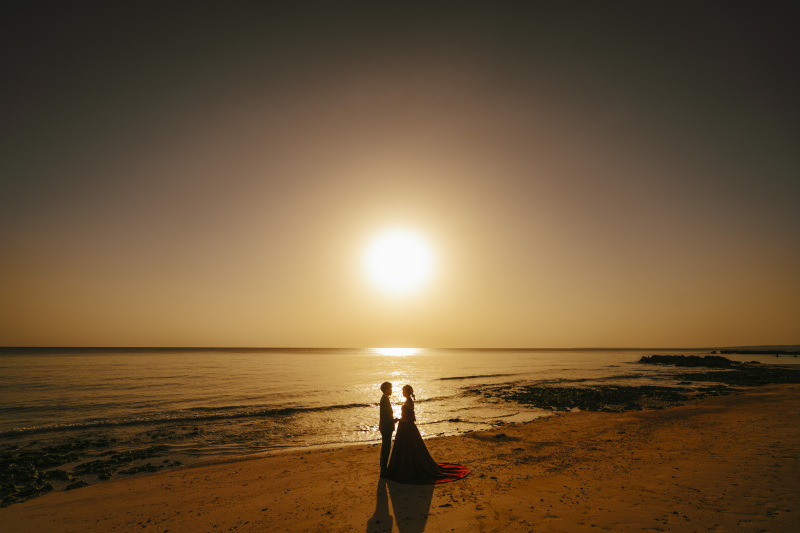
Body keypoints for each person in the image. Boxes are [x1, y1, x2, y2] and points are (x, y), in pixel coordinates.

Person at [384, 384, 469, 484]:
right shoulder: (408, 401)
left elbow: (409, 418)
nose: (402, 392)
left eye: (403, 391)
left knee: (410, 448)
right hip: (405, 427)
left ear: (407, 392)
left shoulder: (409, 402)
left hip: (407, 428)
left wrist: (400, 420)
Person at [379, 381, 396, 477]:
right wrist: (394, 420)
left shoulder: (385, 399)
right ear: (386, 390)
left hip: (385, 426)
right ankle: (383, 470)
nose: (391, 390)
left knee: (385, 447)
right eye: (390, 389)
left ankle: (383, 468)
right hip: (386, 427)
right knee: (386, 448)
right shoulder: (384, 400)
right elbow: (386, 416)